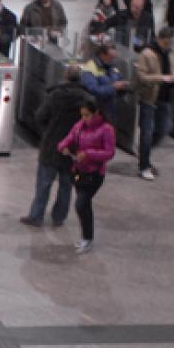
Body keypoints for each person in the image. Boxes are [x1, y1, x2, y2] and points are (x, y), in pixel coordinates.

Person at [20, 65, 93, 228]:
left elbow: (40, 116)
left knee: (44, 184)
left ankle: (36, 216)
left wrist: (47, 132)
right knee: (66, 185)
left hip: (52, 145)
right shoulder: (88, 99)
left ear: (66, 76)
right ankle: (59, 217)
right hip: (73, 149)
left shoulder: (55, 95)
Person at [58, 99, 116, 254]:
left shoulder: (106, 129)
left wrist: (88, 154)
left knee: (81, 204)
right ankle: (87, 237)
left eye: (87, 115)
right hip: (79, 172)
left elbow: (109, 152)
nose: (84, 118)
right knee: (85, 205)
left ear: (96, 113)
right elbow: (69, 137)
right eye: (82, 115)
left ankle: (87, 238)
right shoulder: (79, 126)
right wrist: (63, 146)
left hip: (94, 175)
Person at [134, 27, 174, 181]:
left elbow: (173, 69)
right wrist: (161, 78)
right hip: (149, 98)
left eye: (170, 42)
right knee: (147, 132)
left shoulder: (172, 52)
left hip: (165, 97)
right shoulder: (147, 53)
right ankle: (144, 166)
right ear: (159, 39)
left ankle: (144, 151)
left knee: (165, 128)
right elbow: (141, 76)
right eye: (166, 43)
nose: (168, 45)